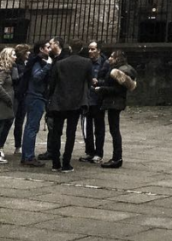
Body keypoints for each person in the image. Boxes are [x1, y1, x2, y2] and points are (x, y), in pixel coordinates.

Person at [46, 41, 93, 172]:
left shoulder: (60, 63)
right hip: (76, 101)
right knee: (70, 133)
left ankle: (55, 163)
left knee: (56, 132)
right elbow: (89, 82)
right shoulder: (86, 63)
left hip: (59, 100)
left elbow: (52, 82)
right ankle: (66, 163)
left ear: (70, 48)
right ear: (82, 48)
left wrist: (50, 98)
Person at [95, 50, 137, 169]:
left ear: (117, 58)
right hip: (117, 102)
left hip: (114, 102)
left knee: (114, 130)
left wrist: (101, 89)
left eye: (112, 57)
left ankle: (117, 158)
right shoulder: (125, 69)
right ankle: (116, 157)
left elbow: (116, 89)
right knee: (114, 130)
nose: (109, 58)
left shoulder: (117, 72)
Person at [20, 40, 52, 167]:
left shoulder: (37, 61)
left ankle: (26, 156)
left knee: (30, 127)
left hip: (35, 96)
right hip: (35, 96)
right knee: (32, 127)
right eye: (47, 47)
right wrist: (48, 66)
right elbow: (37, 77)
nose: (50, 49)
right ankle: (28, 156)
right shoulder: (37, 62)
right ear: (41, 49)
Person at [79, 41, 109, 164]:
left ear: (99, 50)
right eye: (89, 49)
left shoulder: (105, 64)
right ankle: (90, 151)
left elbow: (108, 80)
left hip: (98, 100)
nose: (90, 51)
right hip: (86, 99)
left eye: (92, 49)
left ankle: (98, 152)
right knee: (86, 128)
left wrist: (99, 82)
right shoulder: (86, 63)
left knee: (99, 127)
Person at [11, 43, 29, 154]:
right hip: (16, 95)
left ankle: (18, 145)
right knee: (9, 121)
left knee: (19, 122)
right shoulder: (16, 65)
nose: (29, 53)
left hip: (23, 95)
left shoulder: (25, 64)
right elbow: (16, 79)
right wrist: (26, 72)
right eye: (27, 51)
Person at [0, 46, 16, 162]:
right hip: (3, 103)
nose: (15, 57)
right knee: (1, 127)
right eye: (13, 55)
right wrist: (8, 98)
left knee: (6, 125)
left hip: (7, 104)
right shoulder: (3, 71)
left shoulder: (9, 70)